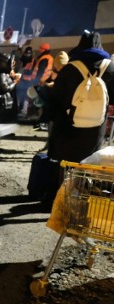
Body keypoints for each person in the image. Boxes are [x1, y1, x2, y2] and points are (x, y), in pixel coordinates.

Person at [46, 31, 114, 208]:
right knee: (88, 164)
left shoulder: (71, 67)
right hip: (96, 126)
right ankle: (79, 200)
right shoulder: (110, 67)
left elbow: (55, 98)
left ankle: (58, 200)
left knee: (65, 163)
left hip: (69, 125)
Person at [0, 53, 20, 124]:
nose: (12, 65)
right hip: (1, 102)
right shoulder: (0, 74)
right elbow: (4, 88)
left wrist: (13, 77)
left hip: (6, 102)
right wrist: (15, 82)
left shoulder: (4, 73)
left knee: (6, 118)